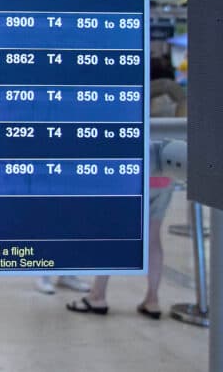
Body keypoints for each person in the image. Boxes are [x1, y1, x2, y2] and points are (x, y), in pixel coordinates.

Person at [66, 59, 184, 318]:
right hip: (164, 177)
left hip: (133, 175)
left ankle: (98, 295)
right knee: (153, 238)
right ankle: (152, 300)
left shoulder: (134, 95)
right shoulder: (176, 101)